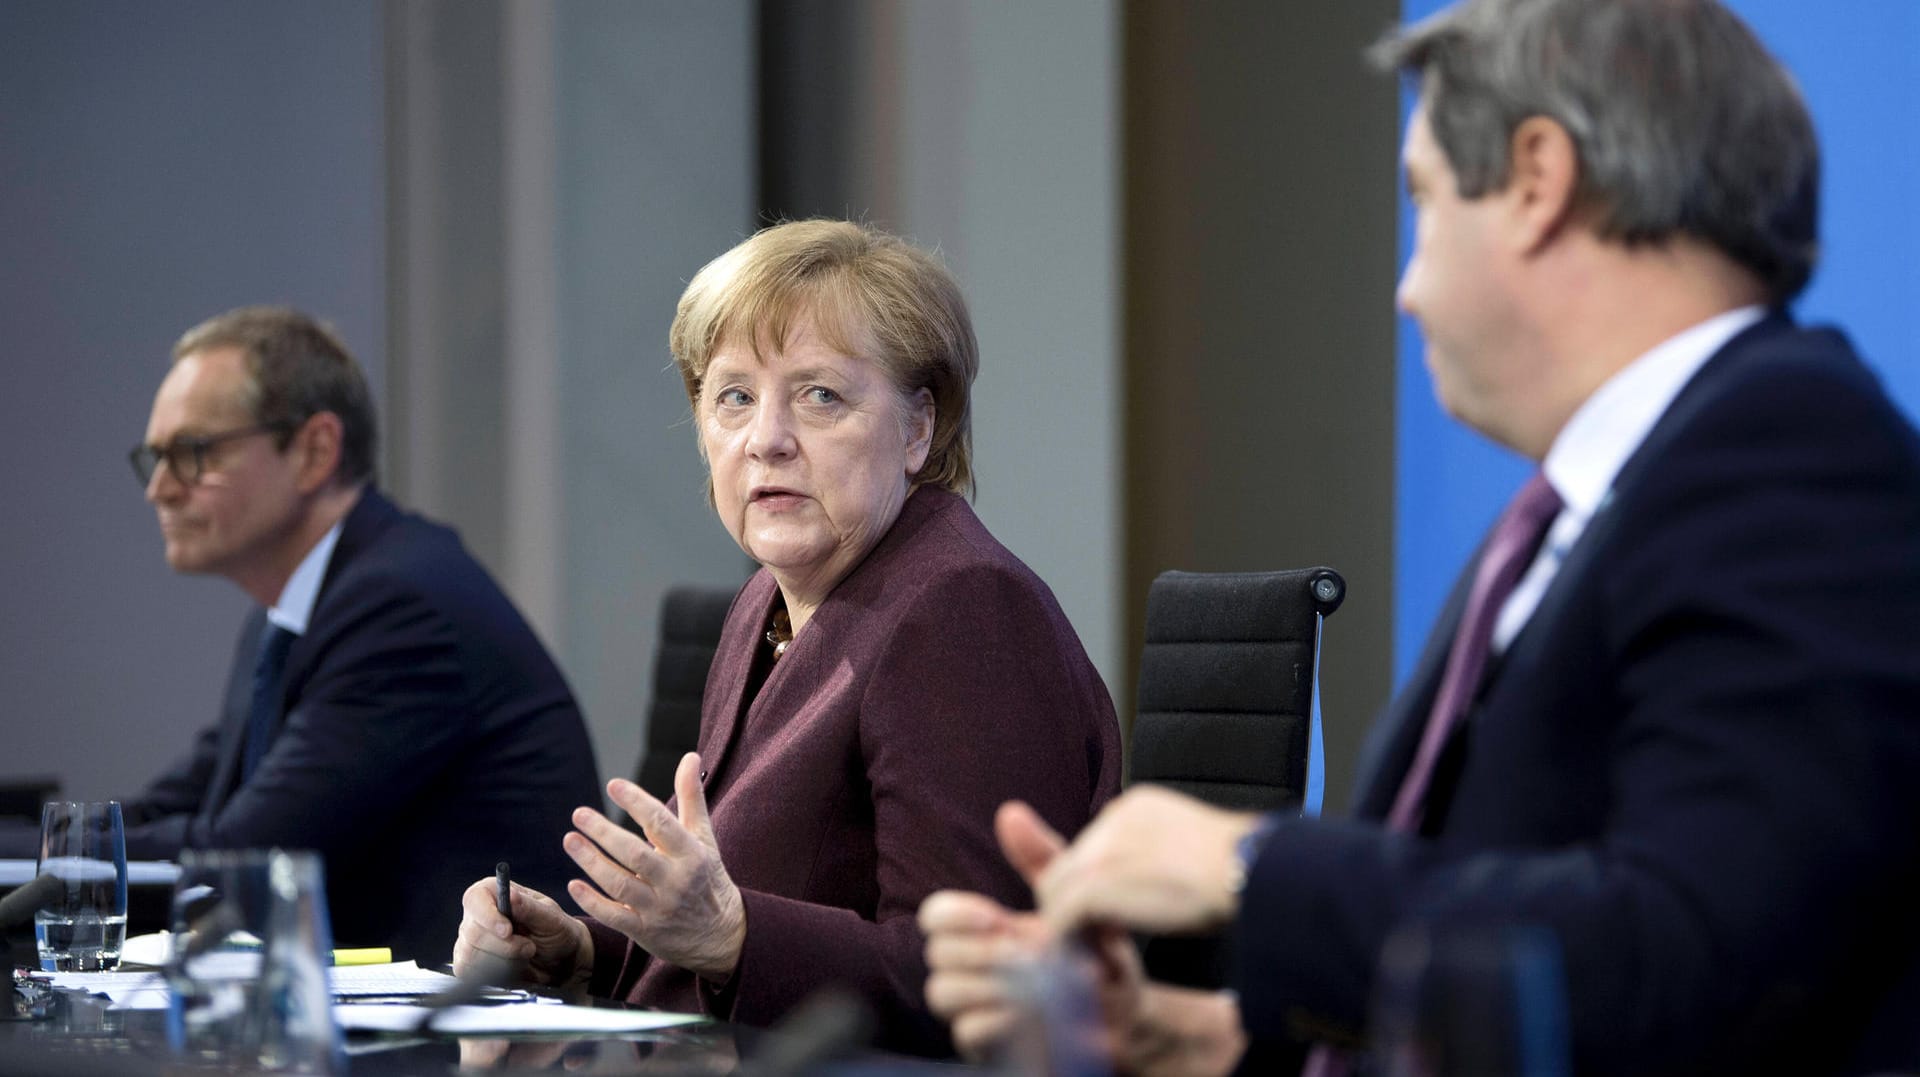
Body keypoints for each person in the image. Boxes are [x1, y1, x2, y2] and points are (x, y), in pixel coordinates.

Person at [921, 1, 1920, 1073]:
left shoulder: (1790, 454)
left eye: (1425, 202)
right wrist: (1190, 1040)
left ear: (1538, 179)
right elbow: (1510, 941)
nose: (1404, 290)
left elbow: (1696, 949)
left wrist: (1249, 863)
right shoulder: (1600, 503)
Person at [452, 220, 1122, 1055]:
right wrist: (583, 953)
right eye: (733, 396)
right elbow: (757, 903)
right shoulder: (767, 602)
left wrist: (731, 936)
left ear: (920, 428)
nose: (764, 438)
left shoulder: (962, 607)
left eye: (820, 396)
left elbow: (979, 985)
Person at [102, 306, 599, 960]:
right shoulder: (291, 613)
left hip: (481, 1035)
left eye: (194, 452)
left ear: (313, 452)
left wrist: (54, 860)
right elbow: (185, 803)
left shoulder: (400, 605)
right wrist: (47, 847)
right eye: (156, 458)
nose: (160, 489)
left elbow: (244, 863)